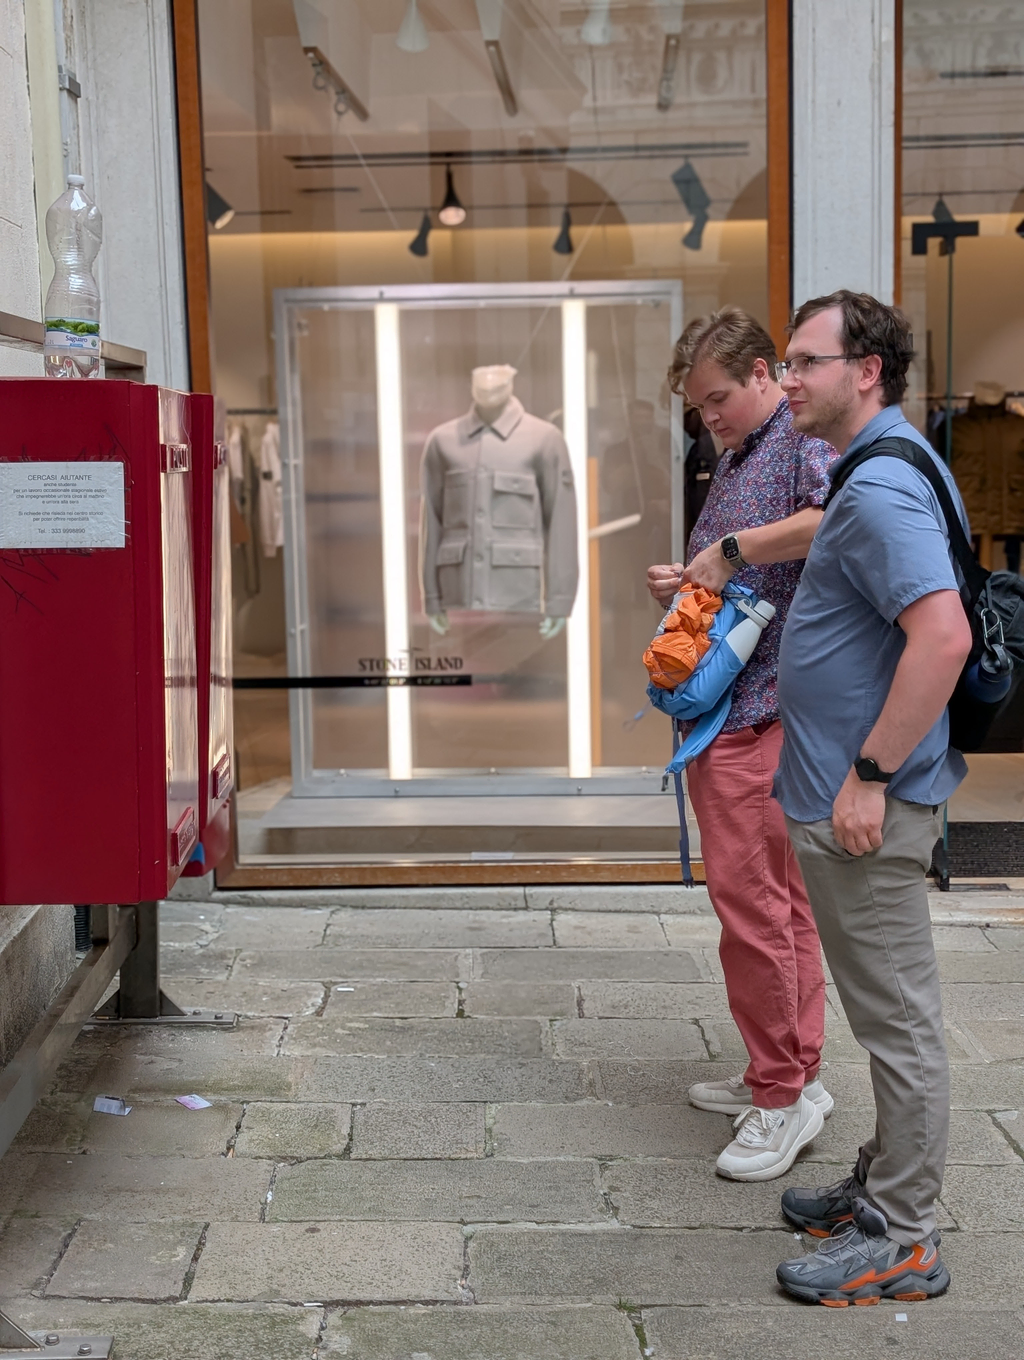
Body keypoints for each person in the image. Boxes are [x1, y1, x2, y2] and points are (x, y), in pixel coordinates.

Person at [772, 290, 972, 1305]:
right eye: (785, 360)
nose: (787, 379)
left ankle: (904, 1233)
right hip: (850, 800)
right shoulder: (878, 469)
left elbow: (942, 637)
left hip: (867, 809)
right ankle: (883, 1184)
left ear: (867, 372)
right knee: (881, 1010)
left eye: (805, 361)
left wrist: (869, 776)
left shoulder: (883, 486)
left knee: (896, 1022)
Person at [647, 306, 838, 1180]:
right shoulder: (740, 451)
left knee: (753, 916)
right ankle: (795, 1074)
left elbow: (840, 517)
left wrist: (726, 548)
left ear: (765, 373)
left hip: (761, 714)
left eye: (719, 399)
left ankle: (780, 1098)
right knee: (781, 909)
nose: (709, 417)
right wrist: (692, 580)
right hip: (750, 706)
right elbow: (746, 564)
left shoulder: (805, 442)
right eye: (699, 407)